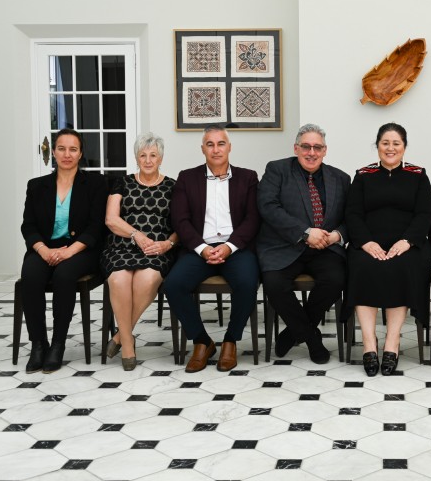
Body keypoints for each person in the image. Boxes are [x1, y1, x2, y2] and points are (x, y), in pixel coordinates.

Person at [165, 124, 260, 373]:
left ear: (229, 147)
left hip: (235, 248)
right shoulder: (187, 177)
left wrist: (229, 247)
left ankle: (230, 340)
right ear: (202, 149)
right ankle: (202, 341)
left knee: (248, 282)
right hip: (199, 248)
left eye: (221, 144)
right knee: (173, 284)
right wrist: (201, 248)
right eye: (210, 144)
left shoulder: (248, 177)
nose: (216, 149)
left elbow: (252, 218)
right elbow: (180, 220)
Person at [345, 123, 431, 376]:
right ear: (377, 146)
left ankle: (392, 342)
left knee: (403, 266)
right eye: (385, 143)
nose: (390, 148)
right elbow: (353, 213)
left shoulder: (418, 175)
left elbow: (425, 213)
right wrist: (365, 242)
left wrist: (407, 241)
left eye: (396, 143)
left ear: (404, 147)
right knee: (362, 265)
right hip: (369, 242)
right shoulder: (363, 175)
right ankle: (369, 343)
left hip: (407, 244)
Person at [257, 124, 350, 364]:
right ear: (296, 148)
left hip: (325, 248)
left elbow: (351, 217)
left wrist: (337, 235)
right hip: (285, 245)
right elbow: (267, 206)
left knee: (336, 279)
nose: (311, 152)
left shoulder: (341, 178)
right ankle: (312, 338)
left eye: (317, 147)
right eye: (306, 147)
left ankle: (291, 332)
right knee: (274, 283)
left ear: (325, 150)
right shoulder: (277, 170)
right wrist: (305, 232)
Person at [20, 128, 107, 373]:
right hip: (44, 248)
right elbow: (28, 225)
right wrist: (43, 249)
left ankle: (58, 344)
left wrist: (69, 252)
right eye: (61, 148)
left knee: (64, 275)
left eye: (73, 149)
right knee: (32, 276)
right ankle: (38, 344)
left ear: (80, 154)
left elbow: (95, 226)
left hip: (82, 250)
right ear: (53, 152)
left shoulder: (96, 183)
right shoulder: (37, 186)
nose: (67, 154)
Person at [101, 132, 178, 371]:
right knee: (119, 278)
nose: (147, 160)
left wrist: (167, 244)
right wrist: (136, 235)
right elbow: (111, 219)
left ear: (161, 158)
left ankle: (119, 336)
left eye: (153, 155)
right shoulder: (122, 182)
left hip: (157, 249)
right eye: (142, 155)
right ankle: (127, 344)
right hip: (121, 246)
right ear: (136, 157)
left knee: (147, 278)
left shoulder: (173, 186)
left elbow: (181, 226)